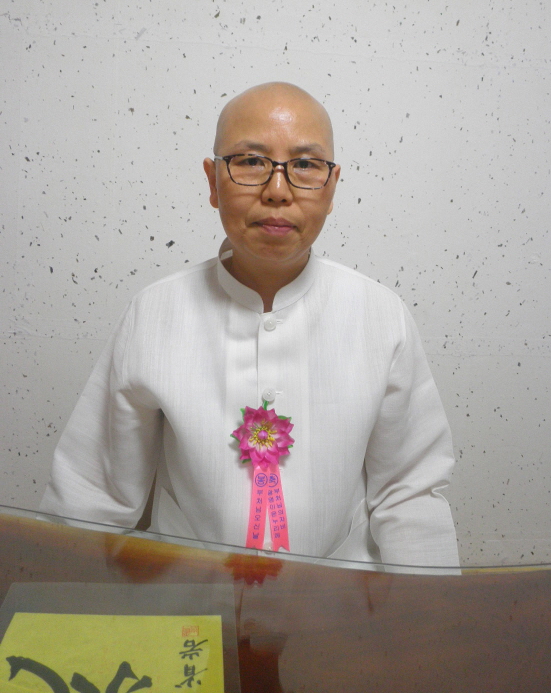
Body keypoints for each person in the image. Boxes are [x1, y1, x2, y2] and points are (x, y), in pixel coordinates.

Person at [41, 82, 460, 567]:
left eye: (305, 165)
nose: (277, 191)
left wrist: (427, 609)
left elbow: (410, 494)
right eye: (251, 161)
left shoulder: (379, 316)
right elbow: (92, 497)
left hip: (339, 595)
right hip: (187, 591)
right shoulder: (155, 313)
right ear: (212, 182)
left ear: (332, 187)